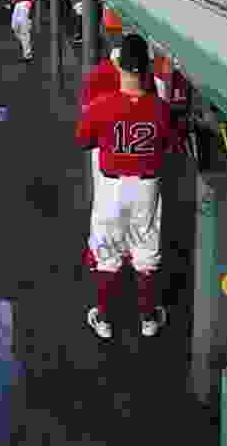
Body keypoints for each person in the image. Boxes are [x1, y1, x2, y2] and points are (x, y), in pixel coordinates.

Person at [76, 34, 173, 340]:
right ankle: (147, 320)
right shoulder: (160, 108)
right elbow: (169, 144)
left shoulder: (101, 106)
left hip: (111, 188)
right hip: (146, 188)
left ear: (119, 67)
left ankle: (104, 320)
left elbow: (83, 140)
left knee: (108, 253)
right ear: (146, 68)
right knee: (145, 254)